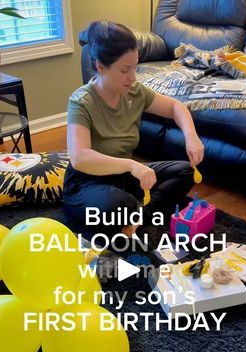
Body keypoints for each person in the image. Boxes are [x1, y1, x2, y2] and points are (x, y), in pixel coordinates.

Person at [63, 21, 204, 241]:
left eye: (135, 68)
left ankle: (137, 219)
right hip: (87, 182)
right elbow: (79, 158)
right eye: (124, 70)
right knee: (118, 205)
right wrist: (131, 165)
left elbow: (177, 107)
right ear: (101, 66)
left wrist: (191, 136)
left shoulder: (135, 92)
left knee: (184, 172)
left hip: (123, 178)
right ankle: (139, 215)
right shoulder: (81, 101)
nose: (133, 77)